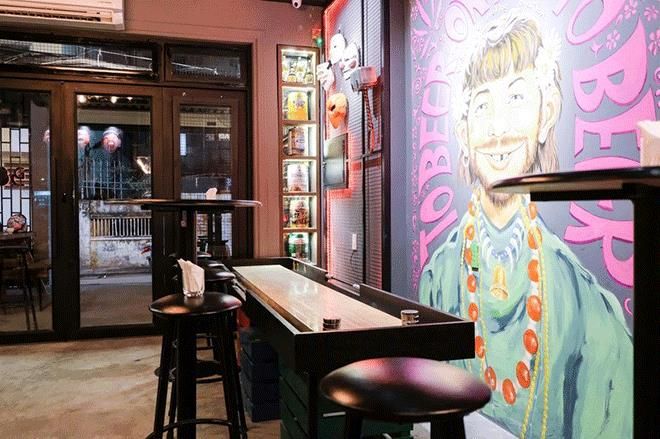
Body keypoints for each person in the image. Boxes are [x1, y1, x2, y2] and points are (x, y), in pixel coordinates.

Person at [418, 13, 632, 439]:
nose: (498, 129)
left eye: (516, 97)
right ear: (463, 131)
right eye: (482, 105)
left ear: (546, 115)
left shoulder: (588, 310)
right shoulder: (437, 279)